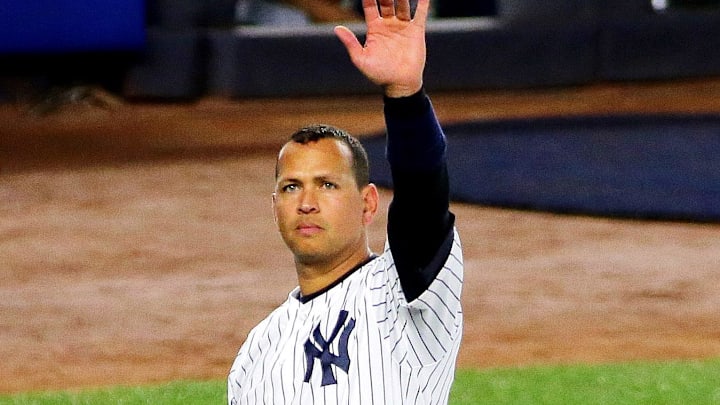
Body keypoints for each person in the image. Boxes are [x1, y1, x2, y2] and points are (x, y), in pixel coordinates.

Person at [227, 0, 464, 403]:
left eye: (327, 185)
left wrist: (405, 98)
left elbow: (422, 200)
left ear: (369, 204)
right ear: (274, 206)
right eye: (291, 187)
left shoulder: (400, 297)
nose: (306, 202)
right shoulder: (258, 349)